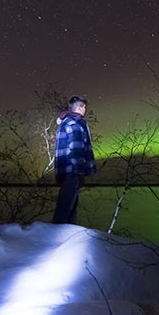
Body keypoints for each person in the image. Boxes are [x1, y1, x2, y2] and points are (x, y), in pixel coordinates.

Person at [52, 95, 96, 224]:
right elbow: (76, 148)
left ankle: (68, 234)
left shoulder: (67, 122)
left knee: (69, 205)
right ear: (79, 107)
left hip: (67, 170)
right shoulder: (74, 123)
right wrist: (81, 169)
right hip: (73, 170)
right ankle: (58, 234)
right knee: (66, 207)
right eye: (84, 107)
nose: (85, 110)